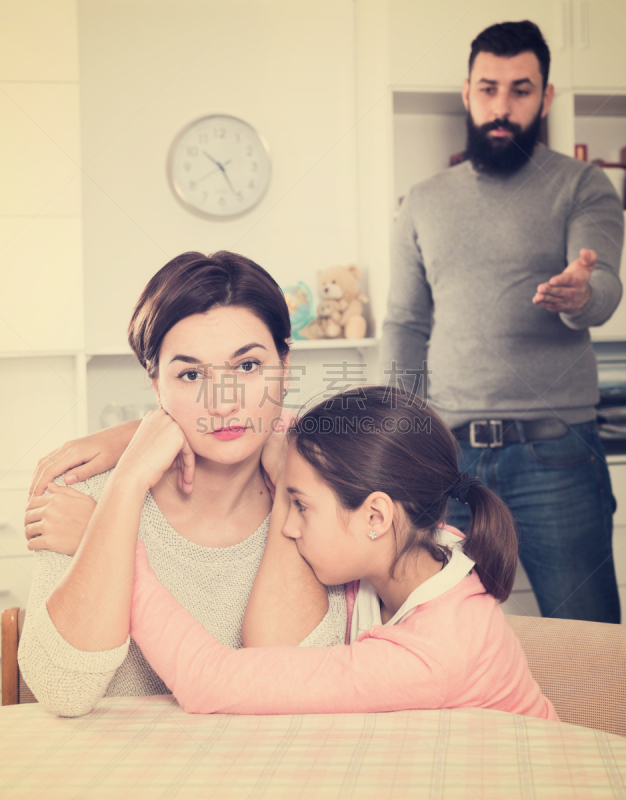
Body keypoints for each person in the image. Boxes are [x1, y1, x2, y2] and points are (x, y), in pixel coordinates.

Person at [19, 250, 346, 717]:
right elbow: (62, 693)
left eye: (248, 367)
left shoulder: (318, 500)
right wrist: (128, 480)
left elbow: (283, 687)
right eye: (191, 374)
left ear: (284, 365)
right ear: (156, 386)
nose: (224, 402)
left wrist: (290, 485)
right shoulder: (84, 497)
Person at [381, 20, 623, 623]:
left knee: (587, 632)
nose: (502, 106)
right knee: (439, 634)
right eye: (489, 89)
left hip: (557, 456)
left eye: (521, 90)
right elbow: (406, 323)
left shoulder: (583, 184)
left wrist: (579, 295)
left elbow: (603, 286)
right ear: (467, 92)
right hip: (448, 463)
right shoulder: (425, 200)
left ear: (545, 98)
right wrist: (397, 437)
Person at [126, 386, 557, 720]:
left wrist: (122, 554)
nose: (288, 526)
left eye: (300, 505)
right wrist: (128, 445)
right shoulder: (426, 538)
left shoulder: (433, 654)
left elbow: (209, 684)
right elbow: (272, 427)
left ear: (375, 516)